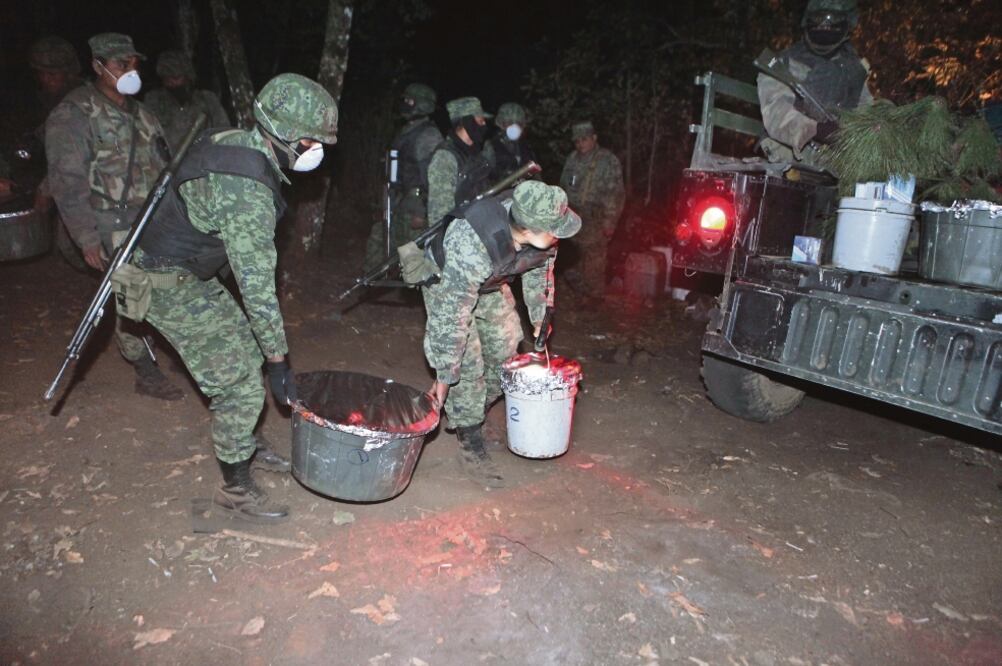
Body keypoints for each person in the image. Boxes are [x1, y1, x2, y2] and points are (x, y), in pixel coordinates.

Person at [131, 73, 338, 522]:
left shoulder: (239, 140)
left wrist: (266, 353)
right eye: (309, 140)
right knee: (242, 384)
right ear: (282, 133)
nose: (315, 151)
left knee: (245, 350)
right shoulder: (249, 192)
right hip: (164, 279)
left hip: (186, 269)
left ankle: (244, 439)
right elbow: (258, 288)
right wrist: (280, 361)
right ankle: (235, 487)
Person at [411, 181, 580, 487]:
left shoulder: (544, 239)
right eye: (554, 229)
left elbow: (539, 271)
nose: (560, 235)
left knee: (506, 346)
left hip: (491, 282)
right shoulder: (471, 243)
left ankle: (476, 411)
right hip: (448, 283)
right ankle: (469, 437)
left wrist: (541, 317)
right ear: (528, 230)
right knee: (467, 362)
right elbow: (452, 317)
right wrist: (445, 372)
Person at [45, 32, 183, 401]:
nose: (130, 70)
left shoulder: (145, 115)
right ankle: (144, 368)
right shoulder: (75, 114)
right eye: (122, 64)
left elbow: (166, 165)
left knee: (164, 287)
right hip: (110, 221)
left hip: (151, 218)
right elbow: (66, 180)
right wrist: (86, 236)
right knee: (130, 295)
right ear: (98, 66)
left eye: (134, 63)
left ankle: (163, 350)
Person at [756, 0, 873, 165]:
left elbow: (867, 113)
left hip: (840, 160)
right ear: (807, 23)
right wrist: (816, 130)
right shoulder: (783, 65)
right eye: (819, 21)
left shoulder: (853, 70)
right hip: (793, 157)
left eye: (832, 22)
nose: (825, 27)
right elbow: (776, 114)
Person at [363, 82, 443, 271]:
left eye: (410, 101)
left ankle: (419, 294)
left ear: (422, 105)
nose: (406, 104)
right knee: (380, 238)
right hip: (400, 199)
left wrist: (423, 211)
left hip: (415, 204)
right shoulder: (408, 130)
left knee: (412, 253)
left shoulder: (428, 135)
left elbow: (432, 177)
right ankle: (370, 283)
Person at [558, 121, 624, 296]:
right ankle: (578, 294)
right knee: (571, 259)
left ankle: (594, 298)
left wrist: (610, 222)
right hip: (572, 216)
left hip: (596, 217)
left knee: (594, 261)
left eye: (584, 139)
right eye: (577, 141)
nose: (581, 144)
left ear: (594, 138)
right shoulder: (572, 159)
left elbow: (615, 194)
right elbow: (563, 186)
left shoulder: (608, 160)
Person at [144, 50, 230, 153]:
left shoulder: (207, 99)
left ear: (188, 77)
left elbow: (225, 133)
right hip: (170, 164)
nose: (172, 83)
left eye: (176, 77)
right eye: (167, 78)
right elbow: (147, 138)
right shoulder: (154, 101)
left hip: (204, 161)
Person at [426, 97, 493, 227]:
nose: (484, 125)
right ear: (467, 122)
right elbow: (440, 216)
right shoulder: (445, 156)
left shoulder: (477, 156)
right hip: (457, 236)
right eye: (480, 120)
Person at [484, 102, 537, 181]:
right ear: (501, 124)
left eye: (518, 123)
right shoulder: (492, 147)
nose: (514, 127)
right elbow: (484, 178)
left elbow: (536, 175)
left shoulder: (525, 147)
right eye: (510, 123)